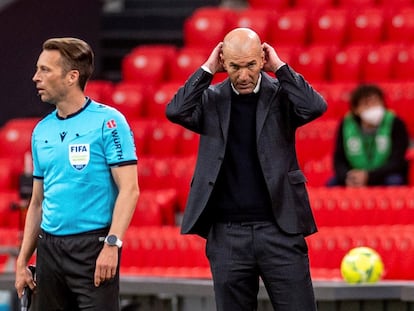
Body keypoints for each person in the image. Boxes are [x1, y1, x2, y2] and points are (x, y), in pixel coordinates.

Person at [166, 28, 327, 311]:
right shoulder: (212, 99)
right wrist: (206, 69)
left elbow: (315, 106)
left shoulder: (281, 95)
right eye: (234, 66)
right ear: (223, 62)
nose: (243, 75)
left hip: (281, 230)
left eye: (251, 64)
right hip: (228, 236)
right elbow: (176, 111)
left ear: (262, 60)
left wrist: (280, 67)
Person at [14, 37, 139, 311]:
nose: (36, 77)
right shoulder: (40, 131)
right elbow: (37, 203)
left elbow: (130, 190)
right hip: (49, 251)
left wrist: (112, 245)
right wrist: (23, 261)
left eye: (45, 70)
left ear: (72, 76)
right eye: (37, 69)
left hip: (93, 249)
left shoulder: (109, 122)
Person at [328, 84, 409, 187]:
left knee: (394, 181)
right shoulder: (346, 125)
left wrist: (370, 176)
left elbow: (398, 160)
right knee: (332, 184)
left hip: (384, 174)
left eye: (375, 102)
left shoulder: (395, 123)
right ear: (355, 109)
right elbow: (338, 159)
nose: (372, 108)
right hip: (355, 174)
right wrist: (347, 176)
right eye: (366, 104)